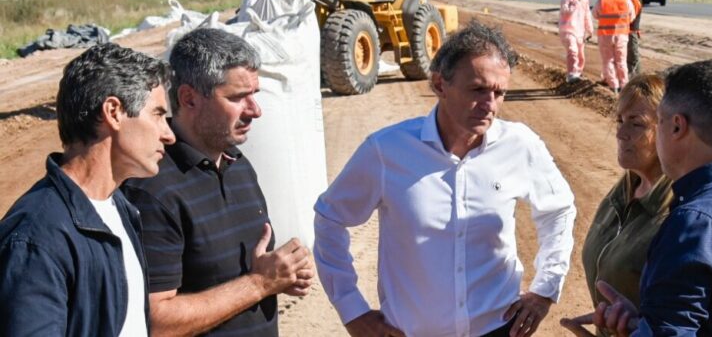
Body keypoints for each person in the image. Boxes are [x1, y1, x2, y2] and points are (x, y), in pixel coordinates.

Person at [314, 22, 577, 337]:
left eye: (499, 93)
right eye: (478, 89)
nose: (490, 105)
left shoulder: (520, 145)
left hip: (498, 329)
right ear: (440, 84)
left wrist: (546, 289)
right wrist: (352, 310)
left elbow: (559, 210)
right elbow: (330, 218)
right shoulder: (386, 150)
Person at [122, 28, 314, 336]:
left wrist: (282, 274)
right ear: (189, 98)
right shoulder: (153, 188)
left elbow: (239, 278)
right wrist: (260, 283)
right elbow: (156, 322)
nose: (255, 111)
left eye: (254, 94)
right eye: (237, 97)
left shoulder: (238, 164)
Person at [0, 43, 176, 336]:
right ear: (113, 112)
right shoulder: (36, 237)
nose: (168, 134)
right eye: (157, 114)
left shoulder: (120, 209)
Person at [586, 59, 712, 336]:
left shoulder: (694, 223)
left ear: (676, 127)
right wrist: (642, 324)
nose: (621, 133)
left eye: (657, 122)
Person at [560, 74, 673, 337]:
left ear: (670, 130)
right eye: (620, 121)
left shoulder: (677, 214)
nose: (620, 133)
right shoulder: (623, 191)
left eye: (636, 123)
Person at [592, 0, 635, 93]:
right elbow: (632, 17)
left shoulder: (602, 0)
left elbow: (595, 15)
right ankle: (624, 85)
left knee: (608, 61)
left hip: (605, 35)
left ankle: (613, 85)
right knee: (621, 61)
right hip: (621, 36)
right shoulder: (626, 1)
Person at [558, 0, 594, 83]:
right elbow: (565, 11)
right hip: (568, 30)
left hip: (580, 32)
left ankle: (577, 73)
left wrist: (590, 29)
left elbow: (587, 15)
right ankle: (572, 74)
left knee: (580, 55)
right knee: (572, 51)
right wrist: (574, 3)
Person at [619, 0, 643, 77]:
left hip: (631, 32)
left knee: (633, 57)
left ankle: (636, 78)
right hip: (626, 31)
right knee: (628, 57)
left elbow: (631, 18)